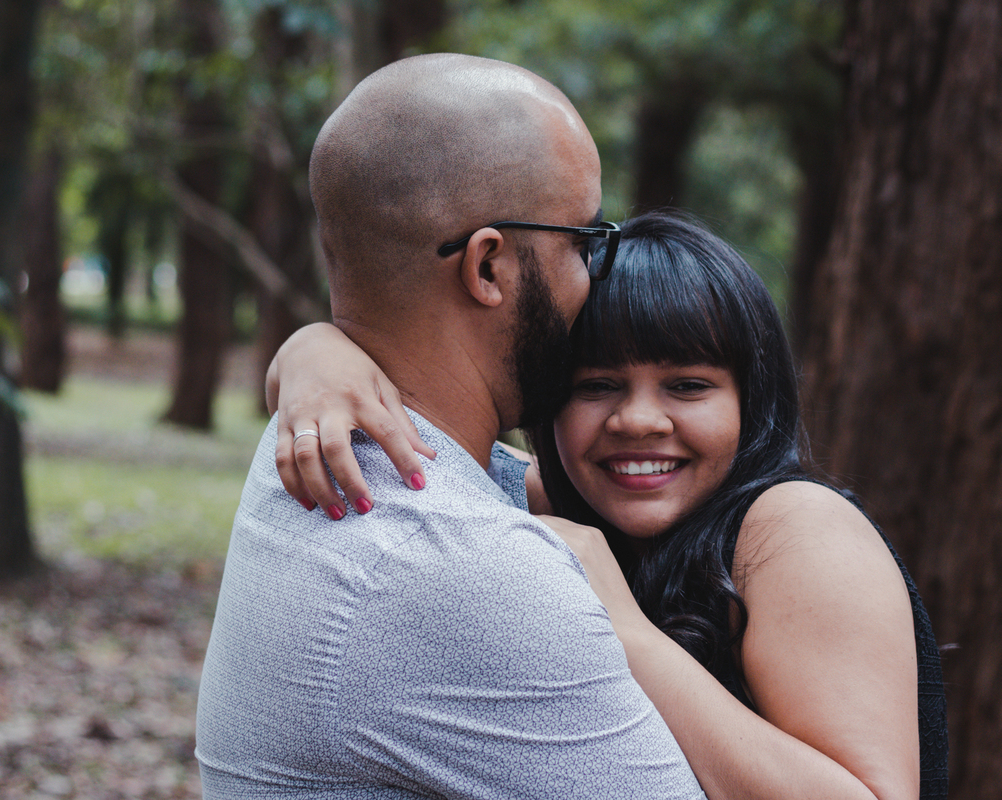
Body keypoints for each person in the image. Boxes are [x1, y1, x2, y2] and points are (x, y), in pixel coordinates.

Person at [270, 212, 949, 800]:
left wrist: (623, 630)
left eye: (687, 385)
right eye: (597, 385)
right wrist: (310, 352)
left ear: (753, 397)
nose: (638, 421)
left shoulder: (794, 528)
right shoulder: (570, 500)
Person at [194, 56, 705, 798]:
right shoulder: (465, 567)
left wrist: (309, 346)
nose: (597, 277)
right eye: (586, 241)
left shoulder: (316, 444)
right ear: (488, 268)